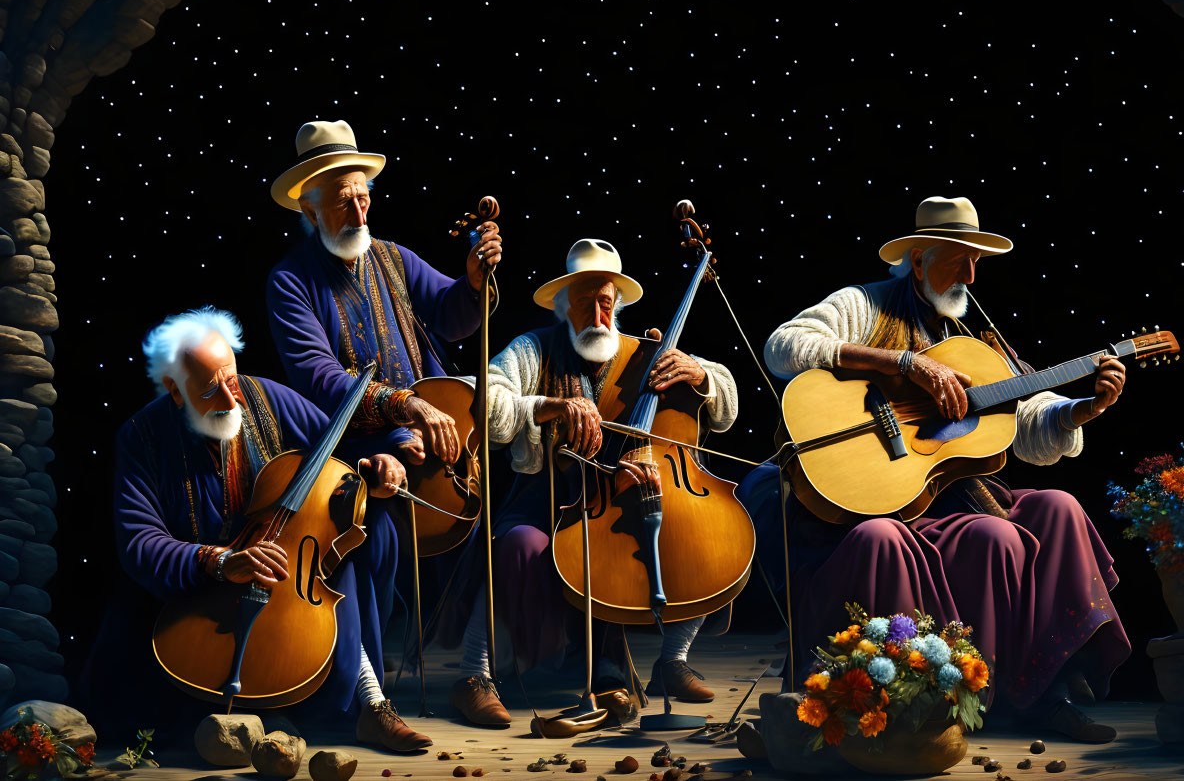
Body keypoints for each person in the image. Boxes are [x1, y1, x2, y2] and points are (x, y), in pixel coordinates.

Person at [749, 196, 1131, 742]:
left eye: (977, 261)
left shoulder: (981, 341)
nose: (971, 275)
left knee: (1058, 507)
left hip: (952, 498)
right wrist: (902, 363)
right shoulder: (865, 304)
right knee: (996, 536)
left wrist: (1079, 411)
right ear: (919, 257)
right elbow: (785, 346)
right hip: (874, 501)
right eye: (958, 258)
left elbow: (1030, 423)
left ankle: (1048, 689)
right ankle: (958, 697)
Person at [86, 306, 432, 751]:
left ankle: (370, 703)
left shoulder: (264, 397)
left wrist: (389, 454)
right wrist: (221, 561)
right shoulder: (141, 437)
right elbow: (138, 542)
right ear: (175, 390)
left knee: (354, 544)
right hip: (200, 591)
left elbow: (342, 441)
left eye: (232, 380)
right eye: (212, 391)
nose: (233, 402)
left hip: (288, 578)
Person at [448, 239, 741, 726]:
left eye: (606, 302)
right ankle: (473, 674)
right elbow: (489, 405)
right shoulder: (534, 347)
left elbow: (727, 408)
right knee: (516, 544)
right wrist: (545, 405)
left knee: (706, 539)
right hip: (550, 500)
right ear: (564, 306)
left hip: (628, 501)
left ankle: (672, 661)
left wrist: (702, 374)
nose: (598, 313)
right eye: (585, 302)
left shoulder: (649, 352)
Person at [265, 119, 503, 671]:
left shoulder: (393, 258)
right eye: (343, 202)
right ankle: (365, 684)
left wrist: (471, 280)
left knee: (481, 520)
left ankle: (476, 671)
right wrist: (405, 408)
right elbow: (318, 378)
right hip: (350, 450)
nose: (359, 213)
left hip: (422, 436)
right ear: (309, 208)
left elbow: (451, 314)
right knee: (368, 541)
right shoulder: (289, 280)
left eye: (364, 198)